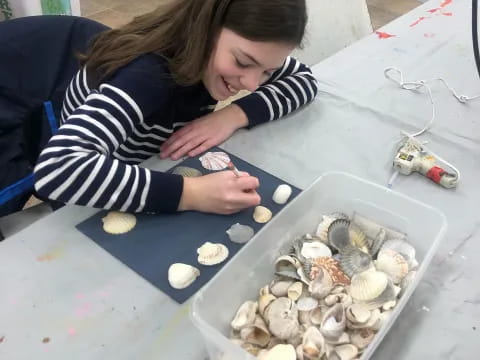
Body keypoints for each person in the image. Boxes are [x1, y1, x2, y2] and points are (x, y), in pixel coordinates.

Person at [33, 0, 319, 215]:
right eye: (243, 63)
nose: (253, 84)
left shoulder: (213, 55)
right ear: (206, 28)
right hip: (93, 190)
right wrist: (191, 194)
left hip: (150, 161)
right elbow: (59, 169)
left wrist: (233, 115)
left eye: (267, 71)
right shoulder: (148, 74)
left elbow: (304, 80)